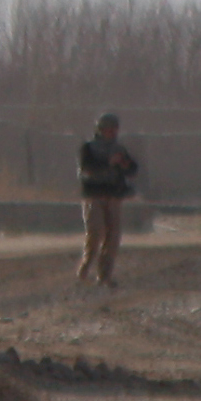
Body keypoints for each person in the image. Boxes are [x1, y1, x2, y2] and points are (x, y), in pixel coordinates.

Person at [73, 111, 139, 286]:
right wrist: (109, 162)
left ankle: (104, 275)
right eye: (108, 129)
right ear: (101, 130)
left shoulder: (119, 149)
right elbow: (87, 168)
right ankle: (85, 269)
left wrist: (125, 165)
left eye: (114, 129)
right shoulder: (88, 148)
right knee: (95, 234)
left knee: (113, 237)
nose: (112, 133)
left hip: (113, 197)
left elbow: (132, 169)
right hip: (93, 196)